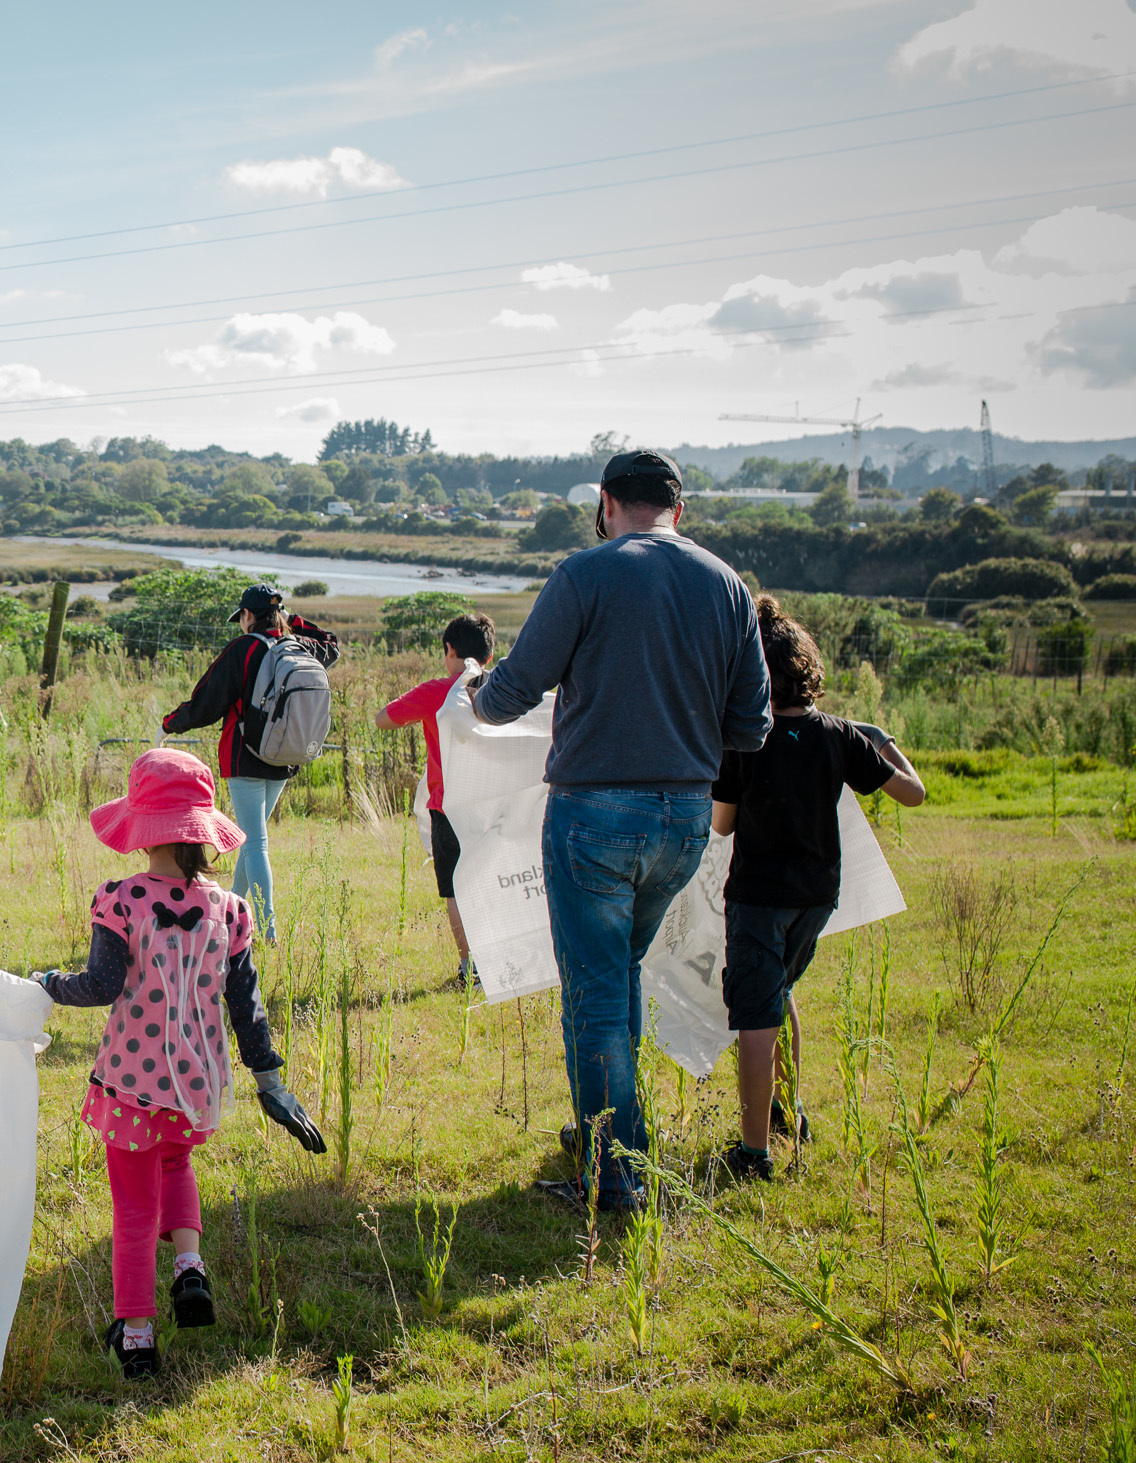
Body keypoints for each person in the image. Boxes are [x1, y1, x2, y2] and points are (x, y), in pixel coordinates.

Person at [472, 448, 770, 1211]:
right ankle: (612, 1139)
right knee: (618, 976)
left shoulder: (584, 573)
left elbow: (509, 695)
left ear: (606, 502)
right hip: (685, 819)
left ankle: (612, 1176)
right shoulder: (728, 585)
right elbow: (753, 726)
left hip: (595, 816)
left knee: (597, 993)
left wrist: (474, 692)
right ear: (682, 509)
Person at [34, 748, 324, 1380]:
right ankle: (190, 1269)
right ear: (203, 834)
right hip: (197, 1085)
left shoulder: (121, 900)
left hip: (133, 1087)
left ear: (142, 831)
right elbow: (246, 1007)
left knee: (135, 1206)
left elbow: (101, 985)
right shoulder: (230, 910)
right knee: (178, 1163)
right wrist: (268, 1075)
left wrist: (47, 983)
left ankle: (136, 1332)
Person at [710, 596, 924, 1181]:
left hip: (757, 894)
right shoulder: (839, 735)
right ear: (809, 673)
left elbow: (721, 824)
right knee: (780, 992)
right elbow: (914, 792)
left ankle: (755, 1153)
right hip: (816, 894)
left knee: (754, 1014)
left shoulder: (746, 740)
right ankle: (789, 1111)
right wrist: (880, 739)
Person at [161, 583, 299, 943]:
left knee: (255, 842)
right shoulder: (296, 645)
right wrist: (291, 620)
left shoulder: (244, 648)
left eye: (242, 616)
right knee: (251, 839)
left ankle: (267, 932)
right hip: (285, 756)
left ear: (247, 616)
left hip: (246, 757)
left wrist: (170, 723)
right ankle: (228, 914)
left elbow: (208, 701)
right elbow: (329, 643)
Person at [376, 612, 498, 987]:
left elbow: (384, 719)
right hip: (496, 802)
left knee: (454, 887)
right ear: (488, 655)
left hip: (449, 805)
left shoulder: (438, 692)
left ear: (450, 650)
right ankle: (498, 958)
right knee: (492, 880)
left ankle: (471, 969)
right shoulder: (504, 689)